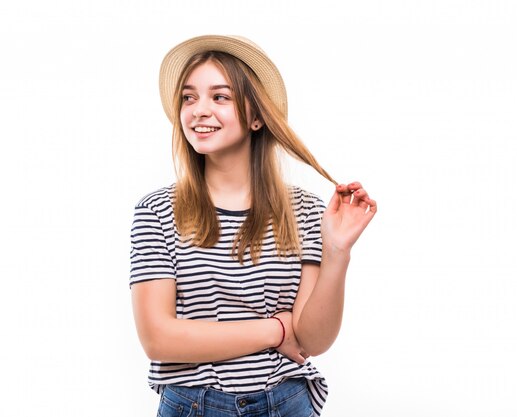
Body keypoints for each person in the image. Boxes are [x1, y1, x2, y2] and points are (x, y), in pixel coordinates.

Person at [130, 35, 377, 417]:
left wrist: (337, 252)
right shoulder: (157, 212)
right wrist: (276, 330)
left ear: (257, 116)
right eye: (189, 97)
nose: (199, 110)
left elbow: (313, 338)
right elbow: (158, 339)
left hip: (287, 402)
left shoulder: (307, 211)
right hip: (193, 405)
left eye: (220, 97)